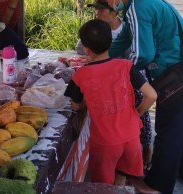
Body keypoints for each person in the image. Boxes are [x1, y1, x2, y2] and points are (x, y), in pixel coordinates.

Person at [98, 0, 183, 194]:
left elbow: (143, 54)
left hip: (182, 74)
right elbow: (124, 39)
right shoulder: (142, 1)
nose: (106, 1)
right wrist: (103, 56)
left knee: (169, 131)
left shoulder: (137, 8)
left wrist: (115, 69)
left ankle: (156, 186)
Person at [64, 19, 157, 193]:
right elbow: (152, 95)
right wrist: (137, 113)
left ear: (86, 49)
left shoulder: (81, 75)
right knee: (122, 177)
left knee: (103, 187)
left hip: (105, 144)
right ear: (110, 42)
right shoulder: (126, 66)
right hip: (131, 138)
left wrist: (87, 101)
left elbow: (75, 106)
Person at [76, 0, 154, 173]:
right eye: (95, 10)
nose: (97, 14)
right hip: (106, 80)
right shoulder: (97, 30)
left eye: (101, 10)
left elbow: (138, 56)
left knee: (139, 113)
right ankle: (118, 156)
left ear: (114, 12)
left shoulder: (128, 29)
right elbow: (81, 49)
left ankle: (146, 148)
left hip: (129, 79)